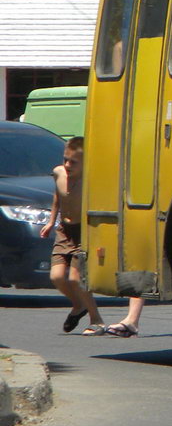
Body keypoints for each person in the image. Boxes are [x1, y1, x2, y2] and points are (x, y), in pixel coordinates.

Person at [40, 136, 104, 335]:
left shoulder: (89, 181)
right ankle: (79, 306)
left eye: (73, 162)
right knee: (57, 277)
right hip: (63, 231)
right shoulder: (58, 173)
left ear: (86, 163)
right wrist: (51, 221)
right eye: (65, 159)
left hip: (82, 232)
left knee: (76, 279)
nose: (67, 165)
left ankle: (96, 320)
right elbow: (58, 197)